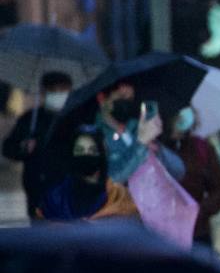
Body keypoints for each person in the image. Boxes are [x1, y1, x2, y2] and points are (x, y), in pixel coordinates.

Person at [38, 126, 141, 222]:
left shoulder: (120, 198)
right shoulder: (54, 201)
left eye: (93, 150)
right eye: (80, 150)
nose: (86, 156)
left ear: (102, 155)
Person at [2, 70, 70, 218]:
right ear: (44, 92)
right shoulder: (31, 119)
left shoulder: (75, 118)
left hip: (66, 190)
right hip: (36, 190)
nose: (59, 95)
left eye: (63, 91)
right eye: (54, 91)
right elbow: (8, 148)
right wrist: (24, 148)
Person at [160, 107, 220, 247]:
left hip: (197, 235)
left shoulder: (201, 148)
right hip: (162, 237)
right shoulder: (151, 149)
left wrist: (198, 211)